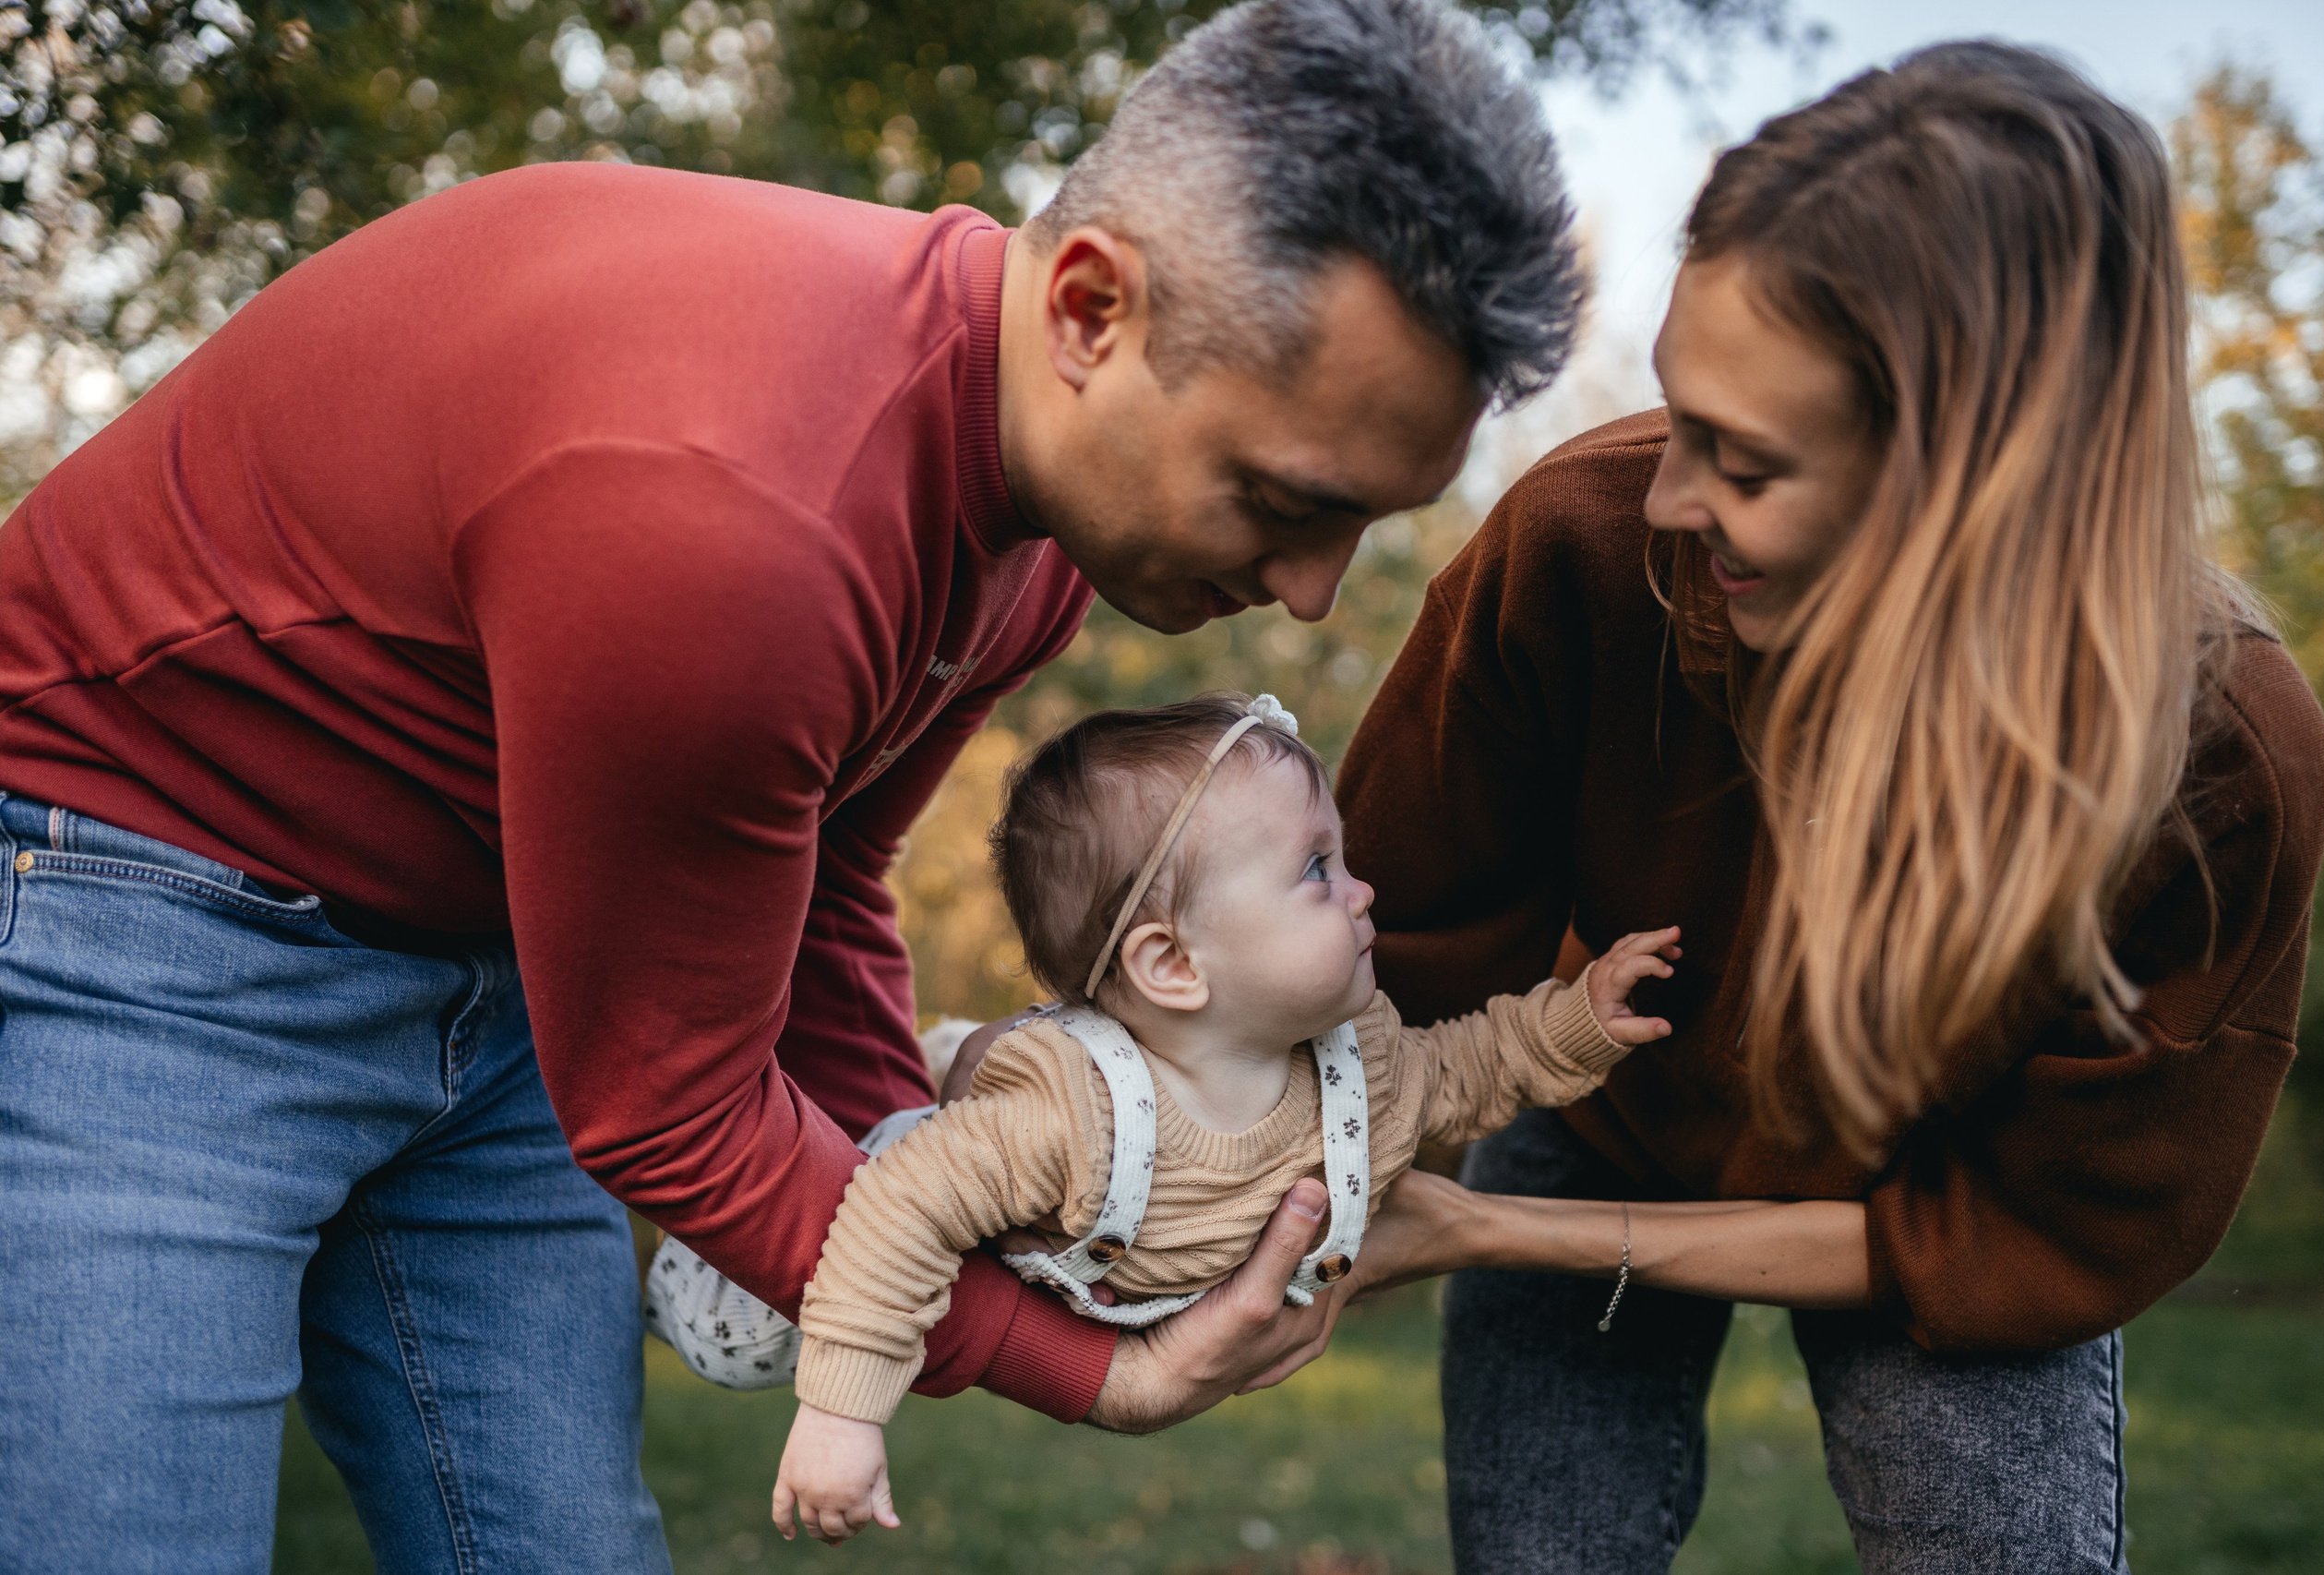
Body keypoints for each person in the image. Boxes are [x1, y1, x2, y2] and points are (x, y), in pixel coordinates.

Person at [0, 0, 1579, 1567]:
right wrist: (1091, 1367)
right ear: (1093, 311)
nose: (1314, 591)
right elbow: (673, 1103)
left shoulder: (1027, 536)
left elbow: (820, 882)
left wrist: (962, 1192)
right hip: (139, 910)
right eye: (1284, 501)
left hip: (494, 968)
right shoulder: (744, 528)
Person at [1333, 41, 2324, 1574]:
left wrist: (1488, 1233)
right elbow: (1381, 974)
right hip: (1602, 1101)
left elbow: (2037, 1235)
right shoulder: (1580, 556)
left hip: (1945, 1191)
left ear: (1979, 490)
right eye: (1679, 416)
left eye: (1746, 462)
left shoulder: (2216, 766)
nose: (1670, 494)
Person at [766, 691, 1678, 1543]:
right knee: (737, 1324)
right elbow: (897, 1214)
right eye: (1317, 869)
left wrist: (1580, 1020)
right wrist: (842, 1414)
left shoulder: (1358, 1059)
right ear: (1171, 964)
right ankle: (918, 1073)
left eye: (1344, 857)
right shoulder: (1072, 1120)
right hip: (858, 1241)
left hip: (996, 1233)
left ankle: (944, 1055)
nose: (1361, 891)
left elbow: (1466, 1067)